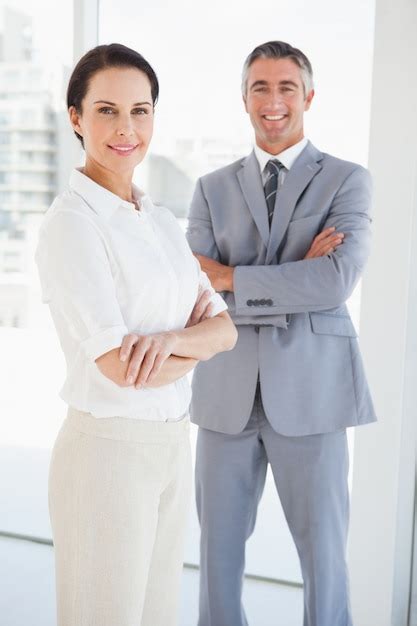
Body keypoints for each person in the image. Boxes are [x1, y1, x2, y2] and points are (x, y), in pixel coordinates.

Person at [35, 43, 237, 626]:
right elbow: (120, 369)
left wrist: (168, 344)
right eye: (106, 110)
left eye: (140, 110)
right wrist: (195, 340)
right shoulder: (72, 226)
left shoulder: (161, 220)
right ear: (76, 118)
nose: (126, 128)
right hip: (107, 455)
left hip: (172, 447)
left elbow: (224, 327)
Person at [186, 40, 376, 626]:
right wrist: (296, 273)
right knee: (217, 558)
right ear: (244, 100)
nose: (273, 101)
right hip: (225, 396)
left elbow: (335, 282)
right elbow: (194, 290)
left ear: (308, 96)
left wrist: (232, 277)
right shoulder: (210, 188)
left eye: (286, 87)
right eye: (260, 88)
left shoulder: (347, 180)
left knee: (324, 558)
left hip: (313, 395)